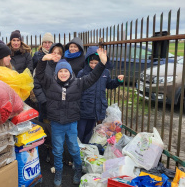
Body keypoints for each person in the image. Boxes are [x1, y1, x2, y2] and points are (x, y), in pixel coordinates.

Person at [35, 48, 107, 187]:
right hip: (56, 124)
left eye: (66, 71)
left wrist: (102, 64)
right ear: (57, 73)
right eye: (60, 71)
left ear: (70, 72)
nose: (63, 73)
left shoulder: (78, 83)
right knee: (57, 150)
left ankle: (78, 170)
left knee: (74, 148)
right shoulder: (50, 83)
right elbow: (39, 74)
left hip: (72, 123)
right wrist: (43, 60)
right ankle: (59, 172)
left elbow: (93, 77)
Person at [77, 46, 124, 144]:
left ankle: (85, 149)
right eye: (91, 63)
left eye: (96, 63)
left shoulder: (105, 72)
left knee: (90, 132)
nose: (93, 65)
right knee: (80, 131)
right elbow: (77, 89)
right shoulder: (82, 73)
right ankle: (77, 150)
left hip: (96, 109)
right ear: (87, 62)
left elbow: (109, 84)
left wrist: (117, 81)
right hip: (84, 108)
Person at [33, 43, 64, 122]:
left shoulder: (65, 67)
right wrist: (43, 100)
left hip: (60, 107)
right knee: (46, 126)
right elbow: (36, 84)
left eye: (59, 53)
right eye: (54, 53)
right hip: (45, 105)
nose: (56, 55)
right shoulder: (44, 66)